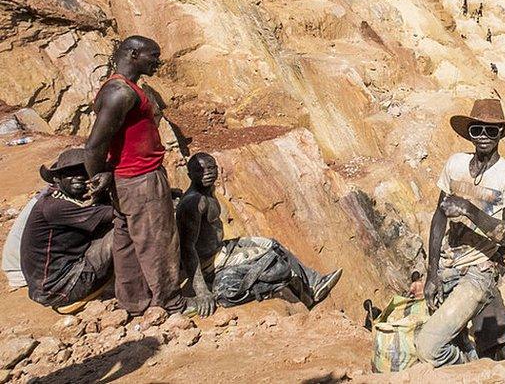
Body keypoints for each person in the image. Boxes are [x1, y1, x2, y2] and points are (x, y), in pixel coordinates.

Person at [414, 99, 505, 367]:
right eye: (478, 130)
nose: (484, 137)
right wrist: (431, 273)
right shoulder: (455, 165)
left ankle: (469, 366)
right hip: (447, 266)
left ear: (501, 133)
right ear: (469, 133)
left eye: (492, 130)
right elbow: (439, 217)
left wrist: (467, 208)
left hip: (479, 271)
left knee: (428, 348)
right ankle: (470, 355)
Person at [85, 36, 185, 315]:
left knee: (127, 240)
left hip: (127, 177)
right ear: (133, 54)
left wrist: (108, 176)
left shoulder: (120, 89)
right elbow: (94, 145)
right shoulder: (122, 93)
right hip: (139, 178)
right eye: (152, 56)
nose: (157, 62)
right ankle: (170, 300)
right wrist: (98, 178)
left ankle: (133, 301)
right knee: (157, 239)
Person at [177, 153, 342, 316]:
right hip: (210, 261)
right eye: (201, 170)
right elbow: (187, 248)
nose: (208, 173)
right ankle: (309, 290)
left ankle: (313, 284)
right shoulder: (194, 202)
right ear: (190, 175)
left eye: (212, 168)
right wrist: (201, 291)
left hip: (222, 249)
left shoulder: (208, 191)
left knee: (271, 243)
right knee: (271, 256)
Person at [21, 148, 114, 313]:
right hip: (61, 288)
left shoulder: (61, 198)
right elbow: (118, 213)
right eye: (70, 173)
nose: (79, 176)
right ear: (57, 179)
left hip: (51, 284)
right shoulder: (56, 207)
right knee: (125, 227)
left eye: (84, 171)